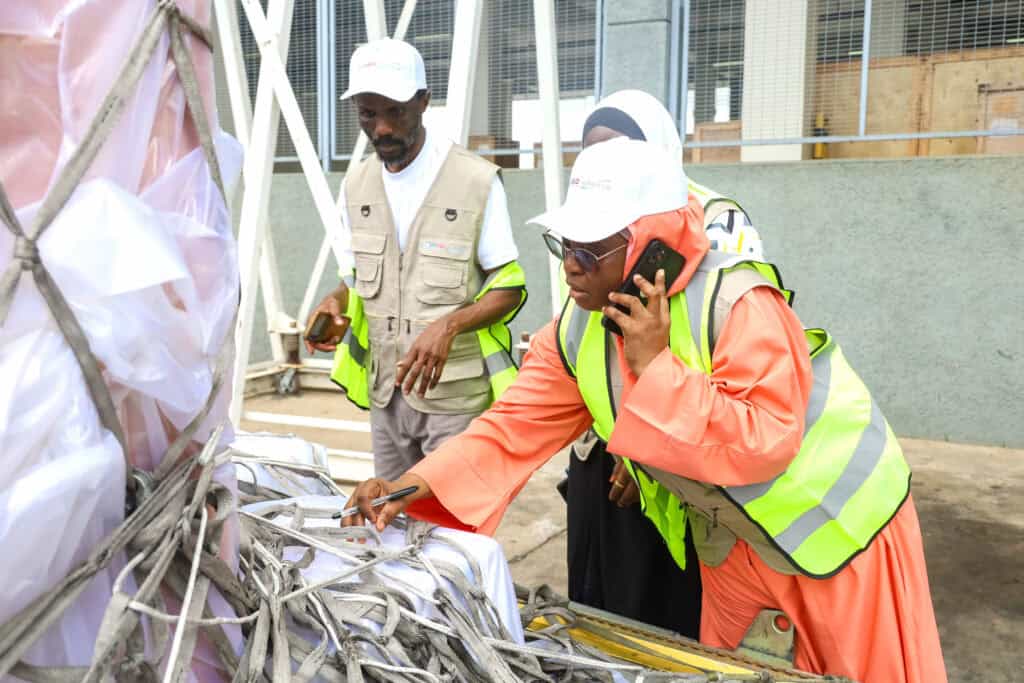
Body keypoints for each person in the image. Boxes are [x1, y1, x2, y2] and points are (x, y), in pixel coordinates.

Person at [342, 139, 947, 683]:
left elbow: (764, 440)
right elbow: (507, 431)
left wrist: (656, 365)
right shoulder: (578, 331)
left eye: (591, 247)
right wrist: (409, 489)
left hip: (840, 538)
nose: (570, 265)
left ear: (656, 246)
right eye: (564, 244)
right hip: (732, 543)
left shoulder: (737, 302)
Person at [305, 38, 527, 480]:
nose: (381, 128)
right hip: (386, 396)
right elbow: (355, 277)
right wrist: (336, 301)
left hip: (454, 403)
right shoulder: (357, 186)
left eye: (395, 111)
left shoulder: (475, 182)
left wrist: (449, 325)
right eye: (368, 113)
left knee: (452, 531)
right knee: (391, 526)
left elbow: (509, 286)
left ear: (423, 102)